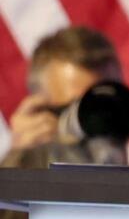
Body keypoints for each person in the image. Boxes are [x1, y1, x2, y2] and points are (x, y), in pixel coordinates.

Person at [4, 26, 122, 157]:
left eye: (108, 105)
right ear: (39, 114)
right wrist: (21, 163)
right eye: (79, 108)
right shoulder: (24, 170)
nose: (99, 121)